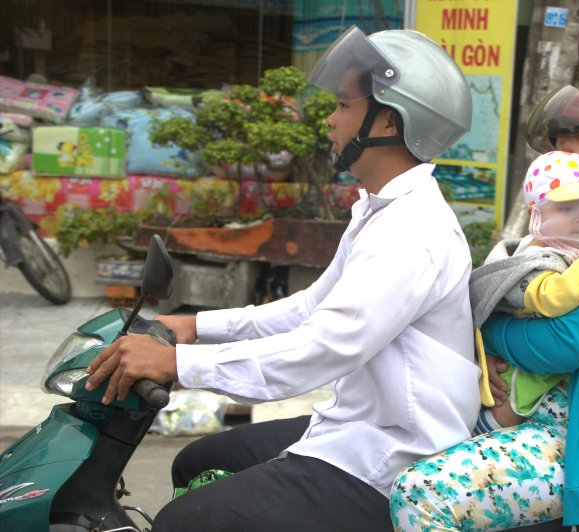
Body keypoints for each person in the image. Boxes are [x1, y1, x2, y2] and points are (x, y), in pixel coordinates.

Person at [85, 26, 480, 531]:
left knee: (184, 521)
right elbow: (310, 308)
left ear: (388, 120)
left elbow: (322, 347)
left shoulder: (413, 232)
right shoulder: (380, 211)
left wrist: (177, 364)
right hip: (354, 425)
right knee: (196, 464)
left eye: (343, 105)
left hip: (393, 457)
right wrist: (196, 326)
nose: (331, 119)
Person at [390, 78, 579, 531]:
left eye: (569, 150)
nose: (557, 163)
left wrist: (488, 330)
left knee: (421, 494)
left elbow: (561, 345)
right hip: (557, 423)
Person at [470, 150, 579, 434]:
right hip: (514, 368)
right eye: (566, 209)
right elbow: (550, 298)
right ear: (535, 213)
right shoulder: (533, 258)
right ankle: (484, 429)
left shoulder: (562, 249)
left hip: (522, 351)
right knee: (510, 406)